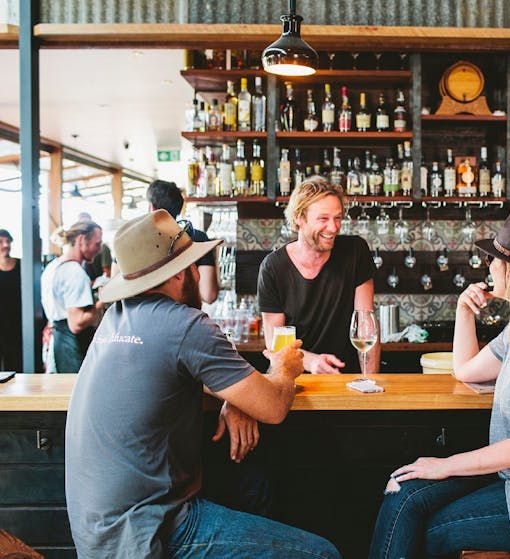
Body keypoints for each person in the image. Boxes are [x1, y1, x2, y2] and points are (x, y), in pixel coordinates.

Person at [65, 209, 340, 559]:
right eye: (195, 263)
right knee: (322, 554)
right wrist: (285, 368)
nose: (198, 271)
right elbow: (272, 408)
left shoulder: (114, 318)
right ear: (182, 272)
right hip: (151, 530)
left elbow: (171, 372)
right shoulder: (186, 324)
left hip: (95, 529)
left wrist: (234, 397)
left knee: (253, 489)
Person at [368, 208, 510, 559]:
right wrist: (463, 311)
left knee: (430, 529)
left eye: (493, 259)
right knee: (404, 493)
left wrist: (443, 465)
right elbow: (466, 369)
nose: (487, 266)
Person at [257, 176, 379, 374]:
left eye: (338, 218)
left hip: (346, 379)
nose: (333, 228)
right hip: (294, 381)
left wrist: (370, 382)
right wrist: (311, 361)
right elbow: (275, 343)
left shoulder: (355, 251)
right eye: (323, 219)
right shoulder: (273, 267)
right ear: (299, 217)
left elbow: (366, 326)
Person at [40, 220, 104, 373]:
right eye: (97, 244)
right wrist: (104, 300)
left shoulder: (53, 266)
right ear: (82, 240)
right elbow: (76, 323)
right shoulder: (74, 272)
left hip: (55, 343)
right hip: (71, 347)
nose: (100, 249)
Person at [147, 179, 219, 304]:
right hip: (187, 316)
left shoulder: (135, 242)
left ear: (152, 207)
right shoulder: (197, 237)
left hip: (144, 317)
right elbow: (209, 295)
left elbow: (117, 289)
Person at [0, 229, 21, 371]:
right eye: (1, 242)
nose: (6, 245)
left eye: (8, 241)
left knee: (16, 362)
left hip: (17, 323)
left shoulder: (22, 265)